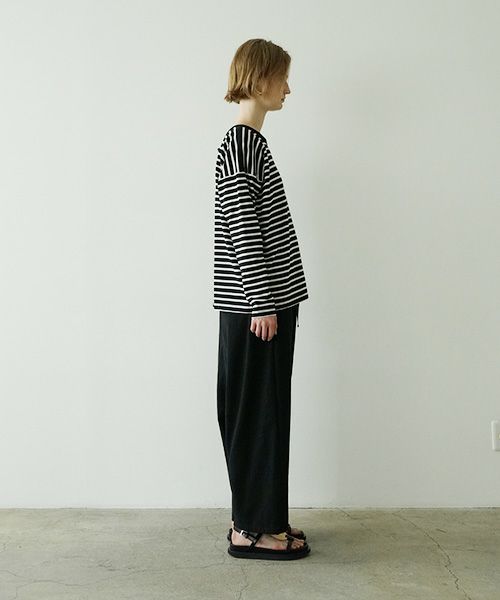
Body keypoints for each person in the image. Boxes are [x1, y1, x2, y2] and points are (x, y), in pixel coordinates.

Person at [214, 38, 310, 560]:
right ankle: (252, 530)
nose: (288, 89)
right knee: (258, 417)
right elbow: (243, 227)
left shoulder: (250, 143)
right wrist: (261, 303)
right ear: (260, 78)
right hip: (258, 309)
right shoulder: (242, 145)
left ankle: (262, 519)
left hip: (264, 305)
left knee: (263, 413)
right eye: (283, 78)